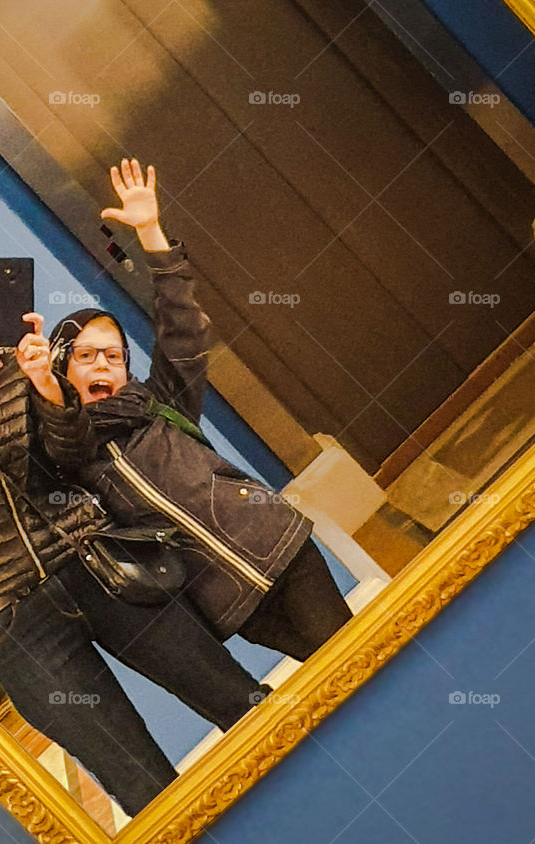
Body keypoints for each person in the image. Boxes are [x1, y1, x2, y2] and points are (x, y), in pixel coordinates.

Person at [0, 231, 269, 816]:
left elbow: (72, 457)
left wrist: (48, 387)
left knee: (240, 699)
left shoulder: (16, 358)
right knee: (144, 785)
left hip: (94, 563)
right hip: (9, 614)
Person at [47, 158, 354, 661]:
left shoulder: (158, 404)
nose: (104, 363)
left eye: (115, 355)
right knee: (335, 683)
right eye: (86, 355)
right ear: (62, 370)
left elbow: (183, 328)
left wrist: (150, 232)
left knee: (362, 659)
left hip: (279, 546)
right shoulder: (67, 457)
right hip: (228, 605)